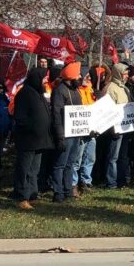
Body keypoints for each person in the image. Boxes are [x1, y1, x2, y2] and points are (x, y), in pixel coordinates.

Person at [12, 67, 54, 210]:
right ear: (37, 79)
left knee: (34, 170)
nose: (46, 81)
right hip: (28, 140)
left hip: (40, 140)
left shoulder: (39, 93)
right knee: (23, 169)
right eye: (44, 78)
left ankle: (32, 194)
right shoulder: (24, 94)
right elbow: (20, 118)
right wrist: (33, 127)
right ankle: (21, 196)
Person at [50, 61, 85, 202]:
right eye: (78, 76)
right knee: (60, 164)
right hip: (65, 134)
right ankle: (58, 192)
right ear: (71, 77)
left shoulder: (76, 90)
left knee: (70, 164)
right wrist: (60, 136)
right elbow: (56, 115)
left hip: (75, 134)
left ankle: (68, 190)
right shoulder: (59, 91)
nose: (80, 78)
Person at [102, 63, 130, 189]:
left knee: (122, 156)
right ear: (118, 74)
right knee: (113, 156)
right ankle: (111, 182)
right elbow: (107, 109)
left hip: (124, 127)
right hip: (115, 128)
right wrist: (113, 127)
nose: (127, 76)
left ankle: (121, 179)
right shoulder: (111, 88)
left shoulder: (123, 87)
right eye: (125, 74)